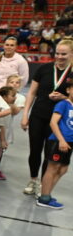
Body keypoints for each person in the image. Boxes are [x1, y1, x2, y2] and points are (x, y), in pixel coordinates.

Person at [21, 39, 73, 196]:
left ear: (71, 54)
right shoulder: (44, 69)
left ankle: (43, 185)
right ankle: (33, 180)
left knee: (49, 153)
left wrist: (64, 98)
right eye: (57, 53)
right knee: (35, 150)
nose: (59, 56)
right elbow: (32, 92)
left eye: (64, 54)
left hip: (58, 122)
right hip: (38, 115)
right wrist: (25, 114)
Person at [37, 78, 73, 209]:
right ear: (68, 90)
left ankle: (46, 194)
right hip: (58, 141)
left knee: (63, 169)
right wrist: (61, 140)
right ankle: (44, 198)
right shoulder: (63, 104)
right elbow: (53, 122)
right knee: (52, 168)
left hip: (70, 143)